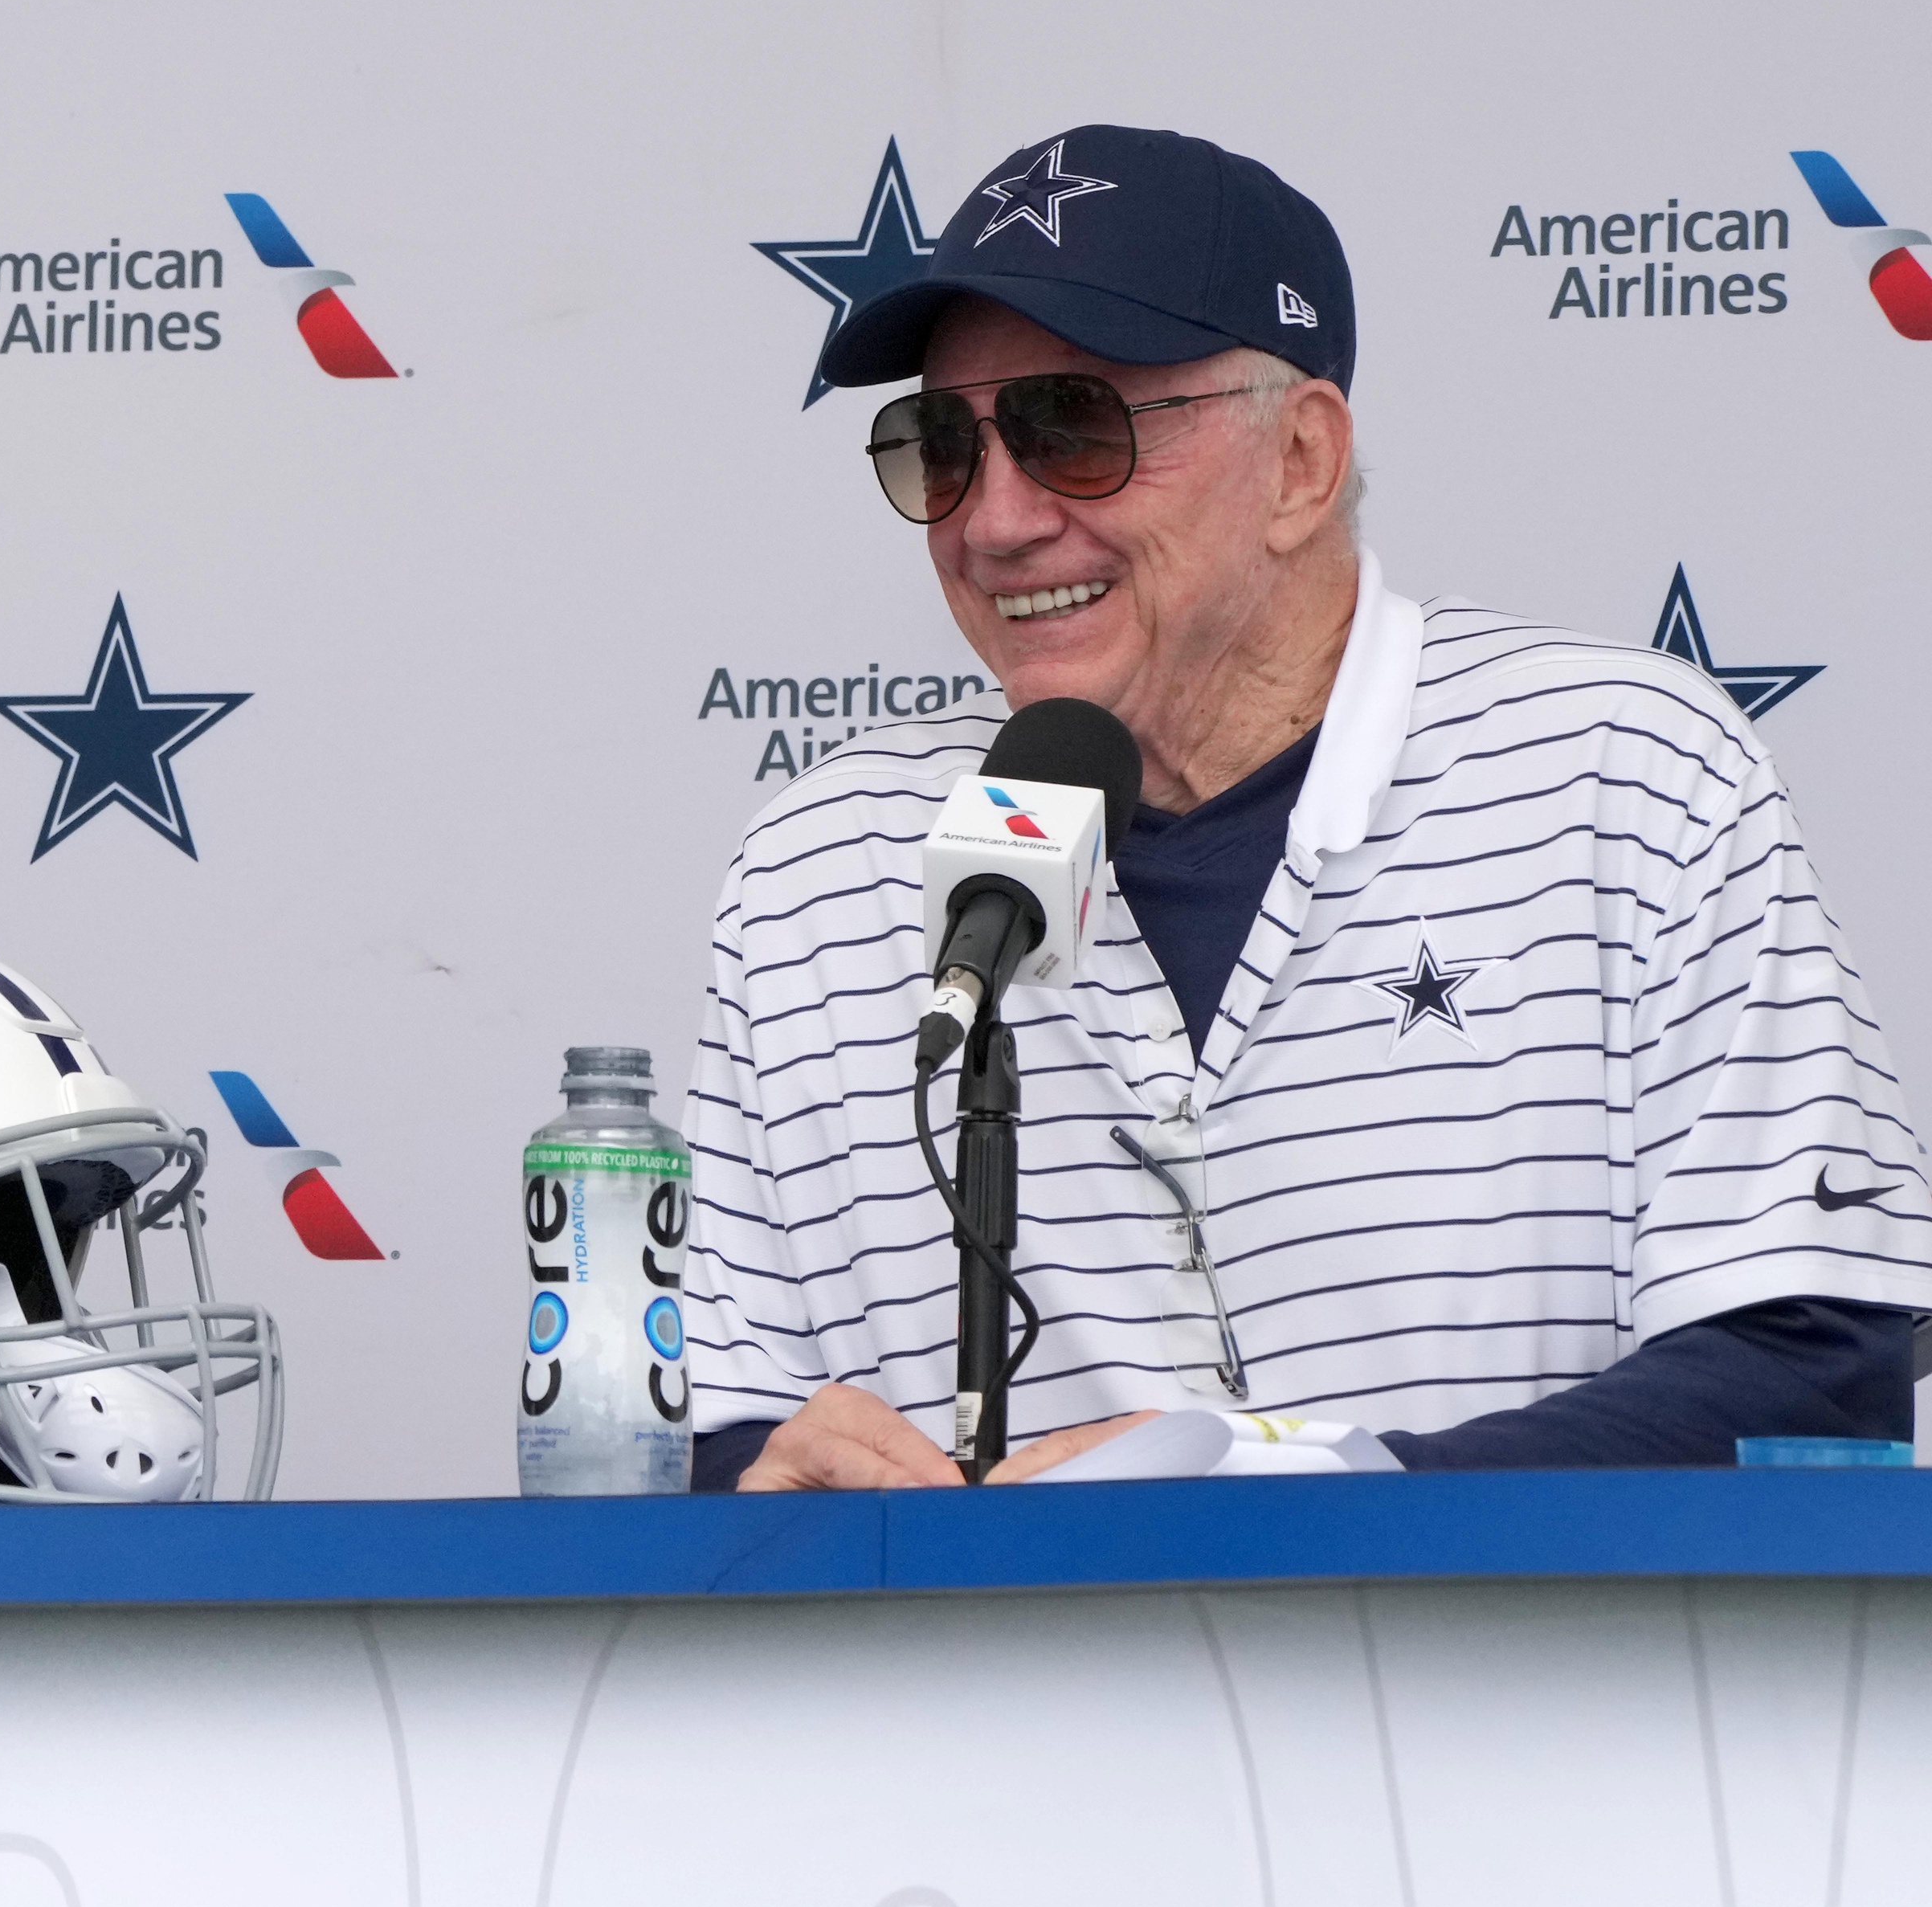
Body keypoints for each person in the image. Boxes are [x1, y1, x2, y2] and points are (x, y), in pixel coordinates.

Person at [684, 125, 1930, 1490]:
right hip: (996, 1703)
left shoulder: (1623, 776)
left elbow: (1812, 1362)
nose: (994, 520)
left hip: (1518, 1689)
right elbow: (722, 1426)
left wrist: (1313, 1495)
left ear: (1300, 461)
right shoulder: (816, 872)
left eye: (1070, 429)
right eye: (941, 447)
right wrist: (776, 1489)